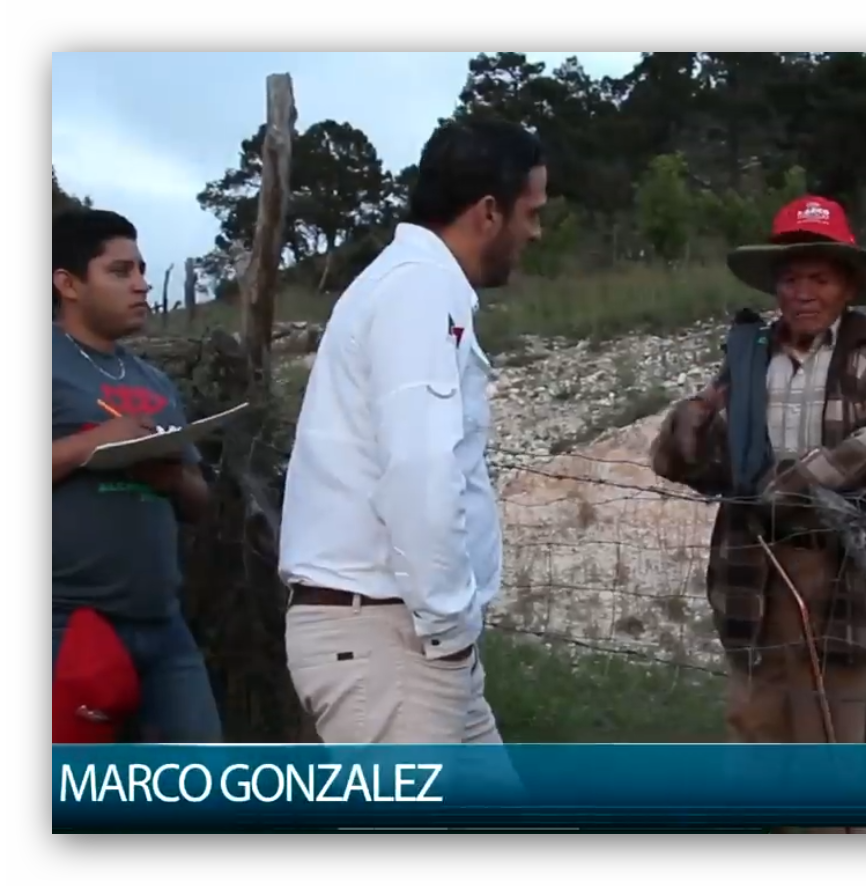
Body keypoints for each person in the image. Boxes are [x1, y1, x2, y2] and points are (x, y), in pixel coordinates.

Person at [650, 196, 866, 831]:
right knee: (755, 728)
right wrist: (690, 423)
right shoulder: (748, 359)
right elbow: (695, 462)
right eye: (791, 278)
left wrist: (791, 481)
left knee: (833, 738)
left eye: (819, 278)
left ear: (847, 286)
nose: (803, 293)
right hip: (754, 570)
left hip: (841, 572)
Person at [278, 116, 546, 743]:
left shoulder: (415, 285)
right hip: (390, 643)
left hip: (404, 636)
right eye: (531, 212)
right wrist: (452, 625)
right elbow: (421, 469)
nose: (536, 232)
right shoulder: (419, 290)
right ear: (488, 212)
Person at [51, 208, 219, 742]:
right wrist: (91, 443)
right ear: (68, 284)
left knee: (205, 783)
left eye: (142, 270)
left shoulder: (154, 381)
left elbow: (200, 501)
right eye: (120, 271)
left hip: (162, 623)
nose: (141, 284)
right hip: (68, 621)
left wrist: (172, 479)